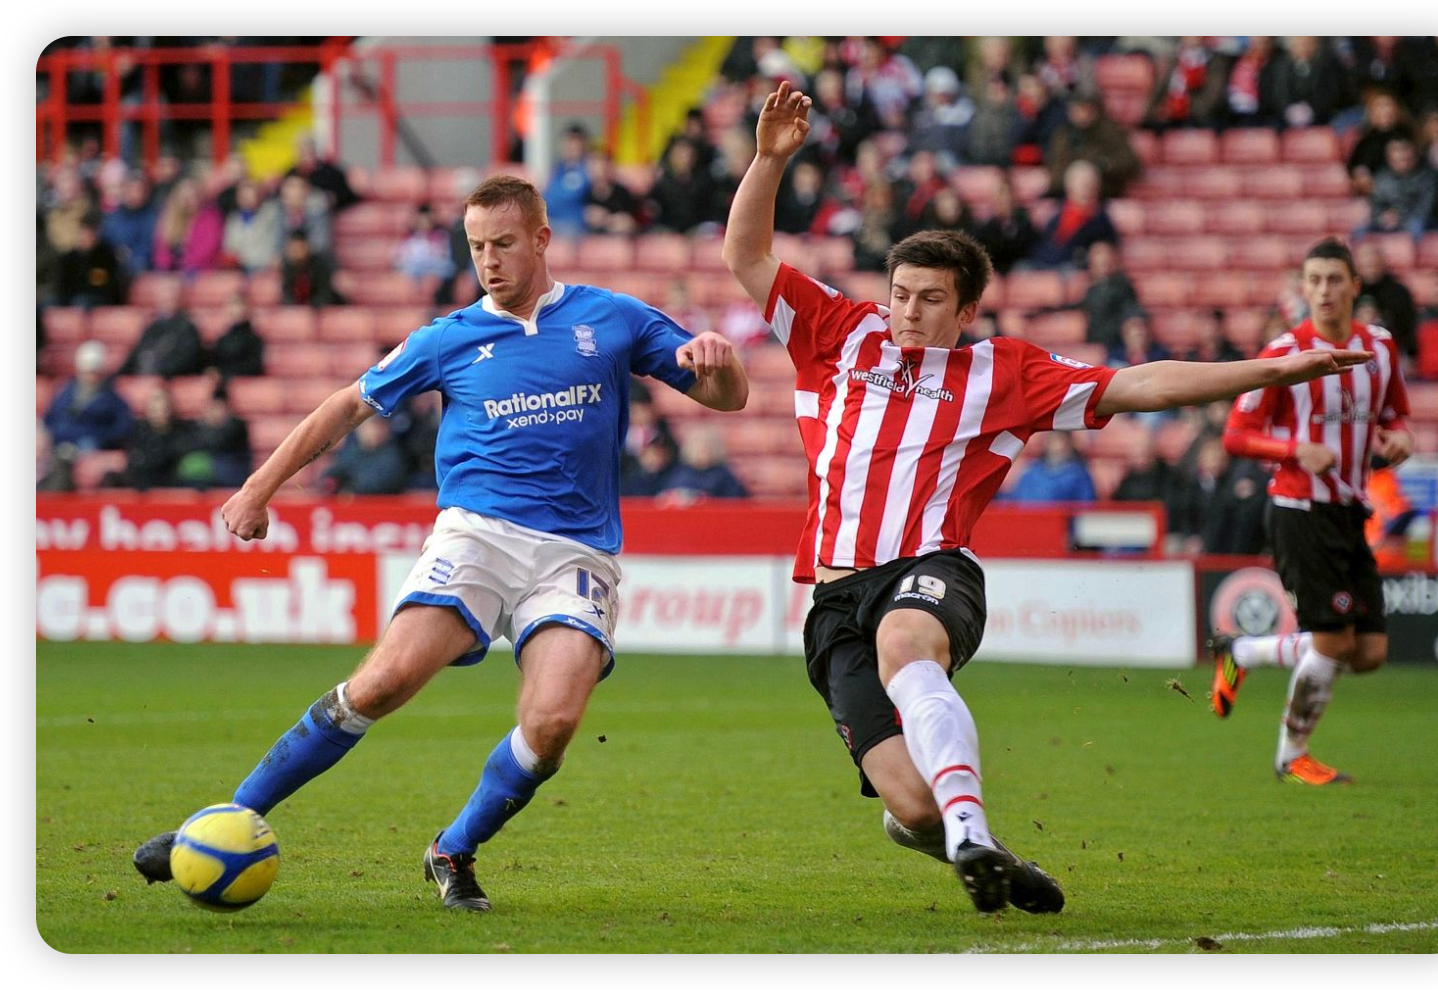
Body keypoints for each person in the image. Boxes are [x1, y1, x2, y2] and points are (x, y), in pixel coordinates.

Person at [723, 83, 1371, 915]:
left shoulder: (1005, 372)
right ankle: (961, 835)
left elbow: (1142, 383)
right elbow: (745, 256)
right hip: (832, 596)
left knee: (907, 646)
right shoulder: (839, 333)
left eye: (929, 299)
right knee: (906, 806)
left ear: (966, 308)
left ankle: (967, 828)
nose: (908, 312)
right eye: (900, 293)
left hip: (928, 567)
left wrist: (1272, 369)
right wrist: (772, 158)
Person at [132, 176, 748, 911]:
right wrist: (258, 488)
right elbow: (345, 407)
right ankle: (222, 822)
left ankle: (452, 849)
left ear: (542, 240)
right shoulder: (449, 337)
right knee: (383, 683)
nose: (488, 260)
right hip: (477, 536)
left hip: (576, 553)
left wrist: (720, 360)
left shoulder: (610, 318)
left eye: (504, 244)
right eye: (477, 246)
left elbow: (725, 396)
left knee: (551, 725)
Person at [1210, 237, 1411, 786]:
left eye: (1334, 279)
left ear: (1354, 285)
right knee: (1332, 642)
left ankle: (1244, 651)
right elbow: (1236, 434)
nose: (1324, 290)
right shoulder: (1284, 352)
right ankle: (1290, 755)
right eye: (1314, 280)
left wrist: (1399, 440)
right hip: (1299, 509)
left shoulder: (1380, 350)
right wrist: (1294, 450)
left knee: (1368, 651)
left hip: (1350, 509)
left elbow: (1395, 416)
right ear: (1303, 288)